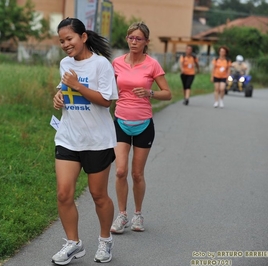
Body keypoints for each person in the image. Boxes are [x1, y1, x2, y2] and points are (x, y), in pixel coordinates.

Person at [51, 17, 118, 265]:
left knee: (98, 195)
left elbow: (105, 101)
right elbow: (65, 89)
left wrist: (77, 85)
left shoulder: (101, 65)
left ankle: (105, 240)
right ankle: (73, 243)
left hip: (97, 140)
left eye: (69, 39)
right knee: (63, 193)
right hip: (69, 137)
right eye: (61, 41)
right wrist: (59, 97)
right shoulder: (65, 63)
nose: (65, 44)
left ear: (83, 37)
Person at [110, 22, 172, 235]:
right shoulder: (116, 63)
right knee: (120, 171)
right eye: (131, 38)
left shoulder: (152, 65)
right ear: (127, 39)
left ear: (146, 42)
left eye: (138, 38)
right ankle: (122, 215)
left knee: (137, 174)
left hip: (144, 123)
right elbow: (105, 88)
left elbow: (168, 93)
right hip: (120, 121)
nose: (134, 41)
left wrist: (150, 93)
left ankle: (137, 213)